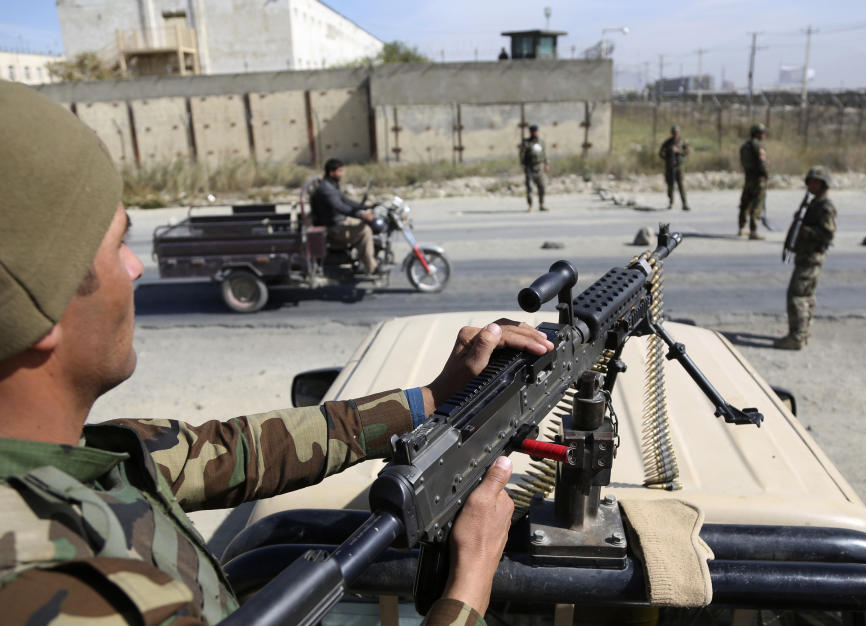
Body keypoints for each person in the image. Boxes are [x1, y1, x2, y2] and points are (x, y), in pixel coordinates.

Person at [0, 81, 553, 625]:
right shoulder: (61, 595)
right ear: (43, 309)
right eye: (119, 243)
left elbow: (227, 452)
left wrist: (430, 399)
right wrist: (469, 590)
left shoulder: (90, 457)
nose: (135, 267)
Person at [774, 166, 837, 350]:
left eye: (815, 182)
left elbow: (827, 233)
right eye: (810, 182)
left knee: (797, 296)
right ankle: (803, 332)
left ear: (823, 184)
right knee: (806, 295)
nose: (811, 185)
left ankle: (797, 337)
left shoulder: (825, 206)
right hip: (806, 255)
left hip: (812, 257)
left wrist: (804, 230)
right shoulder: (814, 203)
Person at [309, 158, 380, 275]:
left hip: (339, 220)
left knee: (366, 225)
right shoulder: (326, 189)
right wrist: (362, 216)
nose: (342, 174)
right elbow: (340, 207)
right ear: (331, 173)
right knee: (365, 230)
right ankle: (371, 267)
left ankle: (362, 259)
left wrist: (365, 207)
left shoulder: (331, 185)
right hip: (333, 227)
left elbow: (345, 200)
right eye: (340, 171)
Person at [738, 123, 768, 240]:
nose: (764, 135)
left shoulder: (745, 146)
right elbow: (762, 163)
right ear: (758, 133)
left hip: (748, 177)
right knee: (757, 204)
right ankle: (753, 231)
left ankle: (741, 227)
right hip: (758, 178)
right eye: (763, 132)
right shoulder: (758, 146)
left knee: (745, 202)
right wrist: (766, 175)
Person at [658, 124, 691, 211]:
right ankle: (671, 203)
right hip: (670, 168)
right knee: (670, 186)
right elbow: (661, 153)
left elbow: (687, 152)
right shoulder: (667, 143)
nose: (675, 134)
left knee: (681, 186)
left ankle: (684, 204)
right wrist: (667, 155)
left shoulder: (683, 141)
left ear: (679, 133)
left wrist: (678, 151)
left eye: (676, 132)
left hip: (679, 167)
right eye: (673, 132)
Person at [520, 123, 550, 212]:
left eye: (536, 131)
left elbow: (544, 154)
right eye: (533, 132)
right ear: (530, 132)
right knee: (530, 187)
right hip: (530, 167)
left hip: (540, 167)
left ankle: (541, 204)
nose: (534, 133)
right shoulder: (526, 143)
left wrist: (547, 164)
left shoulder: (541, 142)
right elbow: (522, 156)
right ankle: (531, 205)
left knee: (542, 186)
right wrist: (524, 167)